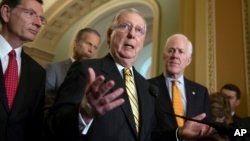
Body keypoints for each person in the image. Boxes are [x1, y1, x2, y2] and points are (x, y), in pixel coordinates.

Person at [46, 9, 212, 141]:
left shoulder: (146, 87)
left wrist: (179, 133)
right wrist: (84, 114)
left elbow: (150, 136)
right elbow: (52, 126)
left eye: (139, 30)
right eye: (125, 26)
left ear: (141, 41)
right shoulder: (85, 69)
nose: (132, 34)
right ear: (110, 36)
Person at [149, 34, 212, 140]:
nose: (175, 56)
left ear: (188, 60)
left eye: (181, 51)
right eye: (171, 50)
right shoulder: (146, 87)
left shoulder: (201, 92)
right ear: (164, 56)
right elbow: (145, 131)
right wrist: (177, 134)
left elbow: (207, 130)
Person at [0, 0, 45, 141]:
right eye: (30, 13)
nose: (38, 23)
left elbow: (34, 127)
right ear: (6, 12)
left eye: (41, 19)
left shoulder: (38, 73)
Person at [45, 28, 101, 109]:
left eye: (95, 47)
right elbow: (47, 104)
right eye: (88, 44)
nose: (91, 50)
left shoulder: (95, 76)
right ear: (75, 43)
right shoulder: (54, 69)